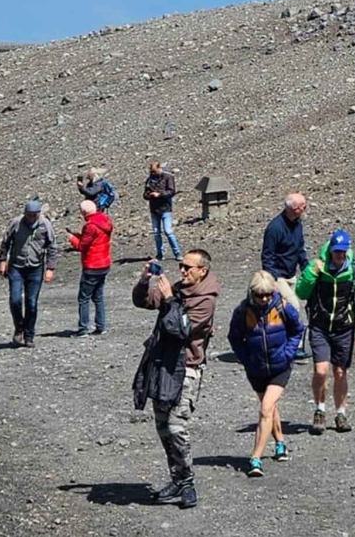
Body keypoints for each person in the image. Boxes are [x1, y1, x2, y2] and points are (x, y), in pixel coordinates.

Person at [133, 249, 220, 509]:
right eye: (181, 266)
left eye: (188, 268)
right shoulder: (177, 288)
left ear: (202, 271)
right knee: (162, 426)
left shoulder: (206, 300)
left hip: (187, 367)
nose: (182, 271)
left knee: (176, 426)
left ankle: (188, 482)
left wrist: (170, 300)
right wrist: (144, 281)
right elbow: (145, 301)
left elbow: (180, 330)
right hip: (162, 364)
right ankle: (178, 479)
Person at [227, 270, 304, 476]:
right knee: (269, 408)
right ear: (252, 292)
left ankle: (255, 458)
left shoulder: (283, 308)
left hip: (280, 367)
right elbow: (234, 337)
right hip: (256, 368)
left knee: (265, 409)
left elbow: (298, 330)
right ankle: (280, 443)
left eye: (267, 294)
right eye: (259, 295)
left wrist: (288, 354)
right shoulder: (243, 311)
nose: (263, 299)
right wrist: (246, 358)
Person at [295, 229, 355, 435]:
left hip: (343, 328)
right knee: (321, 371)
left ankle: (340, 413)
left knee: (340, 372)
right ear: (330, 250)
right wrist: (312, 274)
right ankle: (319, 410)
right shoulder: (317, 267)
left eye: (342, 251)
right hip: (320, 327)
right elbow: (301, 292)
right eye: (336, 251)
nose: (339, 255)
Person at [0, 199, 59, 348]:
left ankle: (29, 334)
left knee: (31, 303)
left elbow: (52, 247)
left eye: (34, 215)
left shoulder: (45, 225)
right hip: (16, 267)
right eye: (29, 215)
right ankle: (19, 327)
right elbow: (6, 242)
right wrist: (2, 261)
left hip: (35, 268)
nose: (31, 218)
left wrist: (50, 268)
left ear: (39, 213)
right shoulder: (16, 223)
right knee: (15, 300)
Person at [261, 192, 311, 359]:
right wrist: (272, 279)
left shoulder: (297, 224)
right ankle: (295, 346)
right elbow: (267, 256)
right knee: (294, 306)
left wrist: (307, 269)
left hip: (292, 275)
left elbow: (300, 248)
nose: (304, 210)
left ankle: (280, 342)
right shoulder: (275, 228)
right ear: (293, 209)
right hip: (279, 276)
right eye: (302, 207)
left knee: (285, 312)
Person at [67, 198, 114, 335]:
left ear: (84, 212)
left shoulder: (90, 226)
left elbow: (82, 246)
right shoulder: (105, 220)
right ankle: (101, 326)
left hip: (92, 265)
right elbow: (92, 239)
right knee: (98, 296)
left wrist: (72, 238)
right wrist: (79, 236)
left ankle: (83, 328)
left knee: (84, 298)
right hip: (104, 263)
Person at [144, 160, 182, 261]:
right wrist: (149, 195)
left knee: (168, 231)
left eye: (154, 171)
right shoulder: (150, 179)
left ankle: (177, 253)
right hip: (154, 209)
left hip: (166, 208)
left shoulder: (168, 177)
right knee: (156, 233)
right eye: (151, 171)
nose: (152, 173)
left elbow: (172, 191)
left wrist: (159, 194)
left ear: (159, 168)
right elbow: (145, 194)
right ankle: (160, 254)